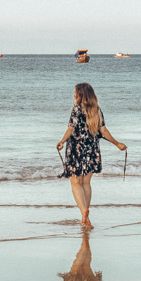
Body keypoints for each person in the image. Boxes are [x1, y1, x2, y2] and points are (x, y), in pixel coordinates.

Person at [56, 81, 125, 227]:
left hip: (76, 149)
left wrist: (62, 141)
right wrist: (117, 143)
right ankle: (87, 217)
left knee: (75, 183)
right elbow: (103, 131)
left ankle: (83, 212)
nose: (73, 94)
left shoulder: (76, 109)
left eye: (75, 92)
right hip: (92, 149)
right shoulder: (97, 110)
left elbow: (71, 128)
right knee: (86, 183)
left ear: (80, 95)